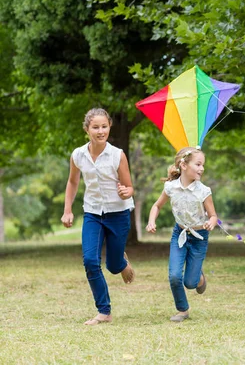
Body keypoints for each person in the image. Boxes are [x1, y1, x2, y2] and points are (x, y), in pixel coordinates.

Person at [61, 108, 136, 326]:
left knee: (113, 266)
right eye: (95, 127)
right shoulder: (78, 155)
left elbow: (129, 187)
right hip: (93, 213)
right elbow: (73, 182)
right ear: (87, 129)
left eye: (104, 126)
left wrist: (126, 192)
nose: (100, 131)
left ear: (109, 127)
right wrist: (67, 210)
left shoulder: (117, 155)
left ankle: (120, 261)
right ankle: (104, 311)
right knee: (91, 261)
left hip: (118, 213)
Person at [146, 147, 218, 322]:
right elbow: (157, 205)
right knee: (174, 276)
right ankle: (182, 309)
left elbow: (213, 215)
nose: (201, 168)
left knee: (190, 283)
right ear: (183, 165)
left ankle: (198, 276)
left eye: (203, 165)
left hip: (199, 237)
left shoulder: (204, 191)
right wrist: (151, 221)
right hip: (179, 234)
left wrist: (211, 222)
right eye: (198, 164)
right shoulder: (171, 187)